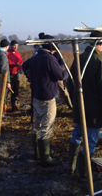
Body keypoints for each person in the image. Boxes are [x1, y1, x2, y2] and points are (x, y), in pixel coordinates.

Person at [67, 31, 102, 182]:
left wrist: (75, 102)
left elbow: (70, 83)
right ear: (101, 43)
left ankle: (71, 167)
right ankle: (84, 174)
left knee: (77, 135)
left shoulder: (79, 58)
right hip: (95, 112)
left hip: (80, 108)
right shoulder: (101, 63)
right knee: (90, 142)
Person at [22, 34, 68, 167]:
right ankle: (46, 158)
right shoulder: (50, 58)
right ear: (53, 47)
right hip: (48, 97)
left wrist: (31, 77)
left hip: (36, 95)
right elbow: (60, 75)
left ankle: (38, 152)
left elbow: (25, 66)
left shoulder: (36, 56)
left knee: (37, 125)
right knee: (46, 127)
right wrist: (66, 72)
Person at [7, 40, 23, 112]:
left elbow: (20, 63)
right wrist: (14, 65)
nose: (15, 47)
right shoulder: (7, 53)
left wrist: (21, 69)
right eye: (14, 46)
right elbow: (5, 65)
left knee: (15, 91)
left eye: (17, 46)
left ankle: (14, 106)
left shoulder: (18, 54)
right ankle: (4, 107)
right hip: (8, 75)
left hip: (16, 75)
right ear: (11, 46)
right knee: (7, 91)